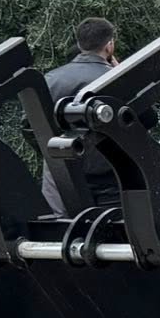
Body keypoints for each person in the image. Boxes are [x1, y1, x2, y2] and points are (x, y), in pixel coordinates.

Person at [41, 17, 120, 212]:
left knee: (63, 226)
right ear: (109, 45)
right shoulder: (117, 79)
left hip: (63, 173)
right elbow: (147, 119)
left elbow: (32, 125)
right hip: (110, 173)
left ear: (79, 43)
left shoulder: (51, 79)